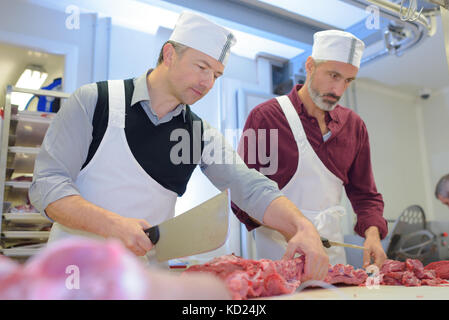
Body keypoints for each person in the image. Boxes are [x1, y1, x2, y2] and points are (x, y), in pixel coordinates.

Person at [29, 11, 329, 281]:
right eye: (202, 67)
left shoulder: (199, 133)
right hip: (72, 276)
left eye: (216, 74)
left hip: (143, 280)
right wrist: (112, 225)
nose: (208, 82)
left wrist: (302, 226)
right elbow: (48, 185)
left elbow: (250, 187)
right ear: (169, 54)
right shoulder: (95, 102)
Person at [232, 30, 388, 269]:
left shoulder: (353, 126)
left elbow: (365, 194)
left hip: (331, 255)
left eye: (347, 81)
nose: (338, 90)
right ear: (310, 65)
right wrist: (295, 231)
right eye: (333, 75)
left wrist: (373, 235)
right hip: (279, 254)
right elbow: (243, 197)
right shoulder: (266, 117)